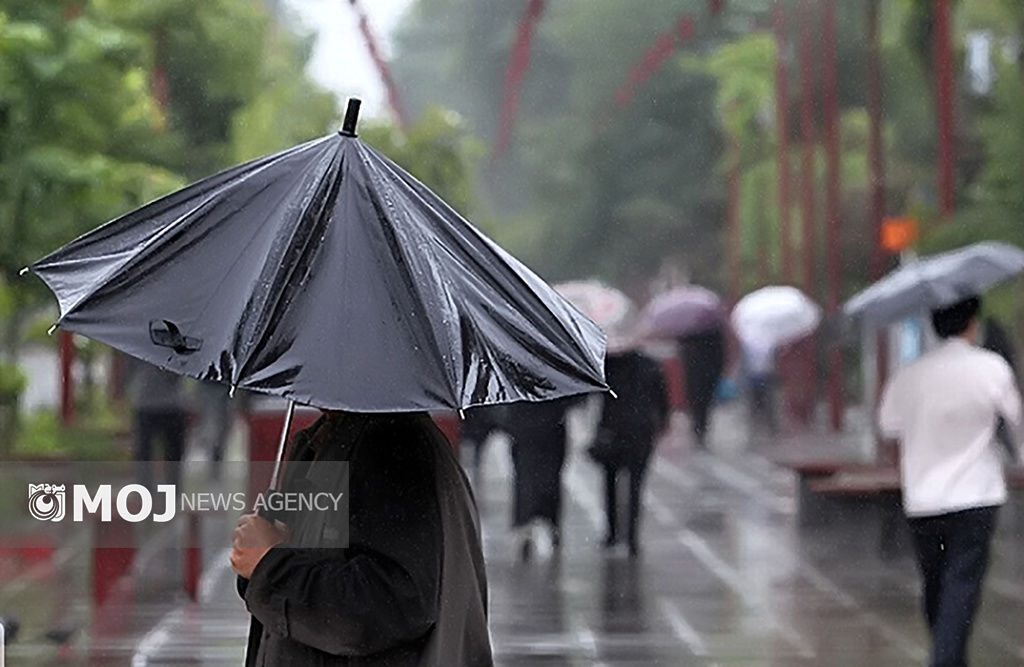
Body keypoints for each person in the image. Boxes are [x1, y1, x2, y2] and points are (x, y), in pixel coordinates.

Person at [231, 411, 492, 666]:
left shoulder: (393, 445)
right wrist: (266, 553)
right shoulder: (324, 438)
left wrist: (271, 567)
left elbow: (389, 604)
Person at [878, 295, 1021, 667]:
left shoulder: (910, 374)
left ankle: (947, 655)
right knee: (962, 584)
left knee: (936, 583)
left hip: (923, 499)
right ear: (972, 323)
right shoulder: (991, 368)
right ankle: (946, 658)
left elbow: (888, 424)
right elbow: (1016, 422)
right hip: (976, 496)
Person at [590, 350, 669, 557]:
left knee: (610, 485)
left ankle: (612, 535)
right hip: (639, 432)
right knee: (635, 486)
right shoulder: (650, 365)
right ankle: (632, 538)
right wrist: (662, 422)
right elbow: (661, 400)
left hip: (612, 431)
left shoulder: (606, 367)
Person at [503, 398, 575, 560]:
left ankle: (526, 523)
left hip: (526, 425)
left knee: (526, 478)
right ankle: (542, 522)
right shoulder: (557, 377)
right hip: (549, 424)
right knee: (546, 478)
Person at [126, 359, 188, 488]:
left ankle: (172, 487)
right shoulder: (139, 343)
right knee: (144, 451)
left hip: (172, 405)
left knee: (173, 453)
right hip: (147, 403)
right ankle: (144, 487)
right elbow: (129, 368)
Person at [679, 327, 726, 448]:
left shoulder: (689, 336)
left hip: (699, 374)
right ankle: (700, 429)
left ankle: (699, 429)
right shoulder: (713, 334)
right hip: (704, 374)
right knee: (702, 402)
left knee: (699, 401)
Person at [740, 336, 778, 434]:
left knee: (768, 402)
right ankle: (758, 426)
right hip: (753, 377)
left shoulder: (771, 341)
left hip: (766, 376)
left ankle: (769, 426)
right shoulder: (746, 341)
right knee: (755, 402)